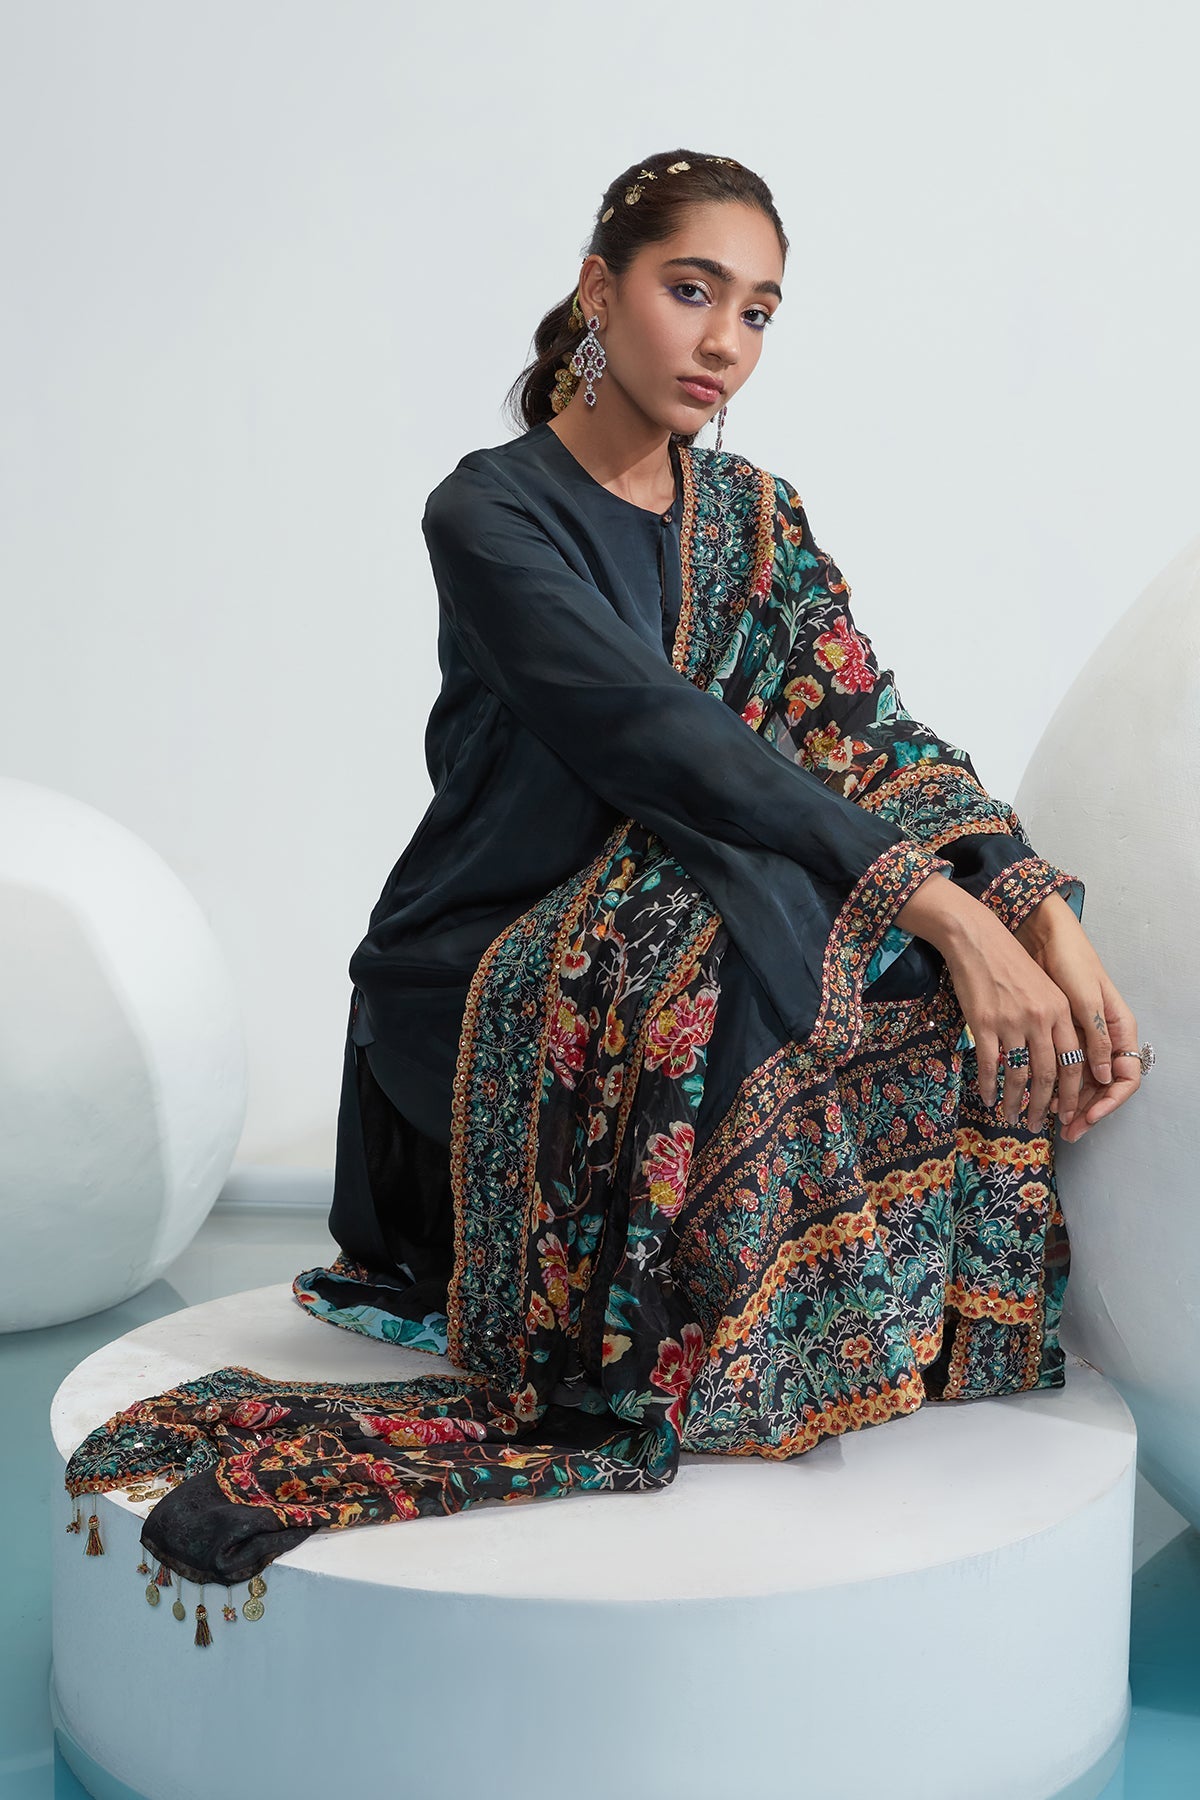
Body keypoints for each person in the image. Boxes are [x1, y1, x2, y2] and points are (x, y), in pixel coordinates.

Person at [65, 148, 1151, 1639]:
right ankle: (709, 1334)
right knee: (761, 963)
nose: (725, 342)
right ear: (599, 288)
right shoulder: (490, 513)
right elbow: (666, 738)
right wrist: (941, 909)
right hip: (485, 959)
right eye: (691, 290)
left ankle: (823, 1321)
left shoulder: (757, 519)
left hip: (707, 916)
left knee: (855, 971)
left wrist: (1035, 916)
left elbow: (867, 729)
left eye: (758, 311)